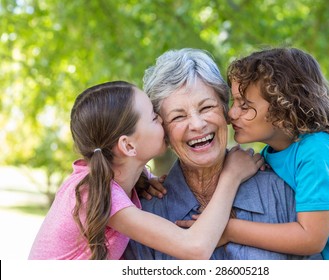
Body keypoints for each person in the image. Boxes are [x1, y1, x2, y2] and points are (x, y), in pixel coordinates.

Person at [28, 81, 263, 260]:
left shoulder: (112, 183)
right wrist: (232, 176)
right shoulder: (95, 193)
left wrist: (143, 179)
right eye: (153, 117)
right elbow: (195, 248)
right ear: (128, 146)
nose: (162, 119)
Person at [124, 48, 312, 260]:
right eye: (178, 117)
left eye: (206, 108)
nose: (197, 124)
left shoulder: (281, 190)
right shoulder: (145, 212)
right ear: (163, 131)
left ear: (225, 111)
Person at [226, 47, 329, 259]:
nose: (231, 113)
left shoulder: (316, 148)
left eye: (245, 105)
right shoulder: (273, 153)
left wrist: (229, 230)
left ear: (282, 109)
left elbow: (311, 238)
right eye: (233, 102)